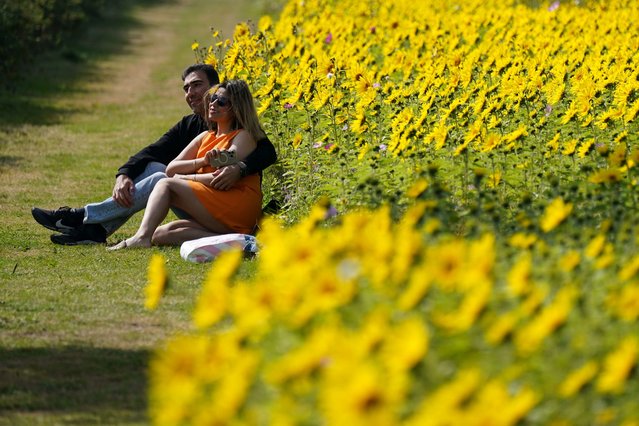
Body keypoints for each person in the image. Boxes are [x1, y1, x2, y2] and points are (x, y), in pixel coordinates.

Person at [31, 64, 277, 245]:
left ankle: (84, 218)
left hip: (229, 200)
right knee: (155, 174)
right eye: (186, 88)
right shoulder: (193, 128)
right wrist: (124, 174)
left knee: (162, 180)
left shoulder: (243, 132)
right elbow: (154, 152)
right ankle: (96, 228)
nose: (192, 93)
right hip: (205, 199)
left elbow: (264, 152)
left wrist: (240, 167)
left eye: (198, 86)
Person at [108, 79, 264, 250]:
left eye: (222, 101)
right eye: (213, 99)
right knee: (160, 235)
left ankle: (140, 238)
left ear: (236, 108)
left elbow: (221, 173)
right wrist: (202, 161)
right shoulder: (205, 136)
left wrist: (186, 177)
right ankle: (237, 240)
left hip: (238, 205)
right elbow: (171, 168)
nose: (213, 104)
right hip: (216, 204)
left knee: (166, 184)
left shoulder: (244, 136)